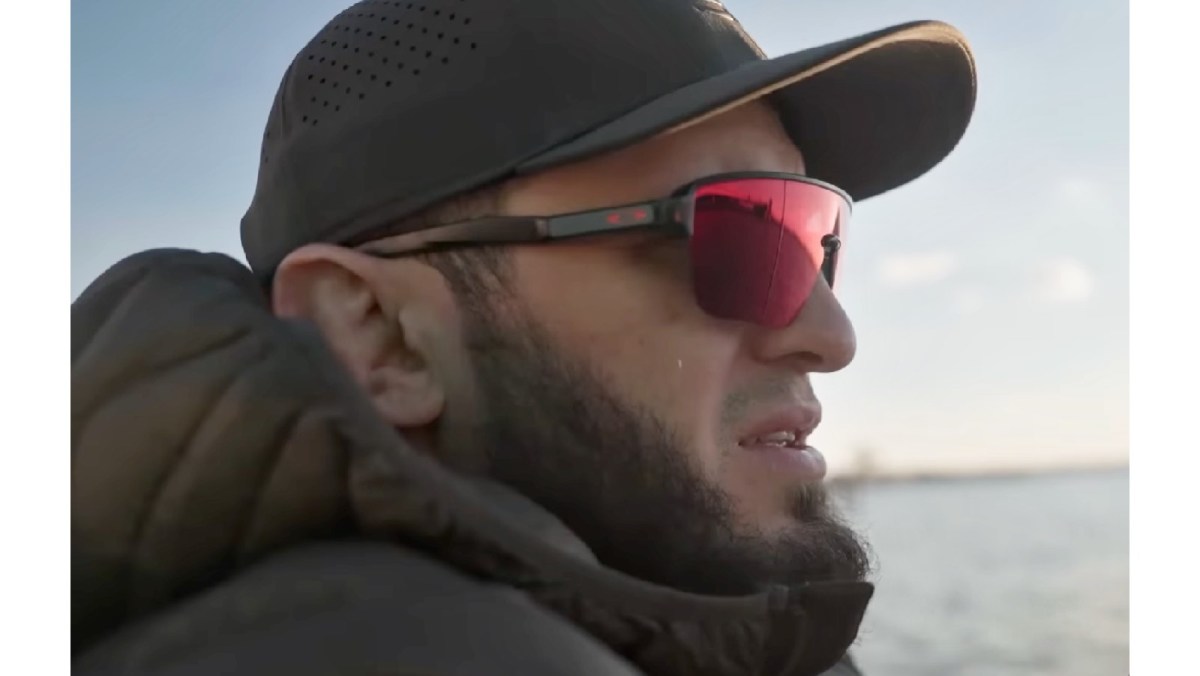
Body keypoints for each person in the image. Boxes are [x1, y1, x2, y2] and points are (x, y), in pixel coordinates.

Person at [71, 1, 975, 674]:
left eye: (812, 241)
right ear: (379, 334)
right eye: (732, 234)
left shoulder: (710, 623)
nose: (829, 335)